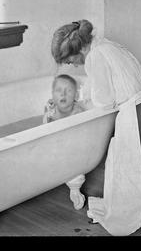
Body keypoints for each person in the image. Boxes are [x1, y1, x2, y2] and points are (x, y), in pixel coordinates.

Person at [51, 20, 141, 232]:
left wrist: (79, 105)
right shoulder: (107, 45)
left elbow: (105, 103)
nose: (74, 65)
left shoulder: (94, 57)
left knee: (136, 175)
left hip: (138, 117)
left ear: (77, 50)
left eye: (71, 60)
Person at [42, 74, 88, 210]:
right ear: (52, 94)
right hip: (54, 147)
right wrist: (47, 116)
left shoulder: (77, 112)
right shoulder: (51, 111)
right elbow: (44, 130)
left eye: (68, 91)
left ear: (75, 95)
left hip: (72, 150)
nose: (63, 94)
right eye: (58, 90)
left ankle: (73, 182)